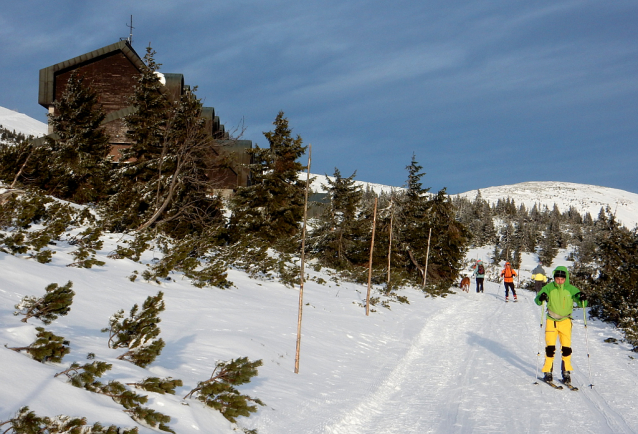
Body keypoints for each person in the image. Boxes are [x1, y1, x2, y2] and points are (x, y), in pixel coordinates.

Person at [534, 266, 587, 385]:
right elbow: (537, 300)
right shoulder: (549, 287)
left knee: (566, 348)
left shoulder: (571, 289)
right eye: (557, 279)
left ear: (565, 278)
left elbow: (581, 301)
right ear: (554, 278)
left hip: (565, 321)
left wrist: (582, 298)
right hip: (551, 321)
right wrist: (541, 297)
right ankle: (548, 372)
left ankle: (566, 372)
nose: (559, 281)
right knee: (550, 348)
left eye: (561, 279)